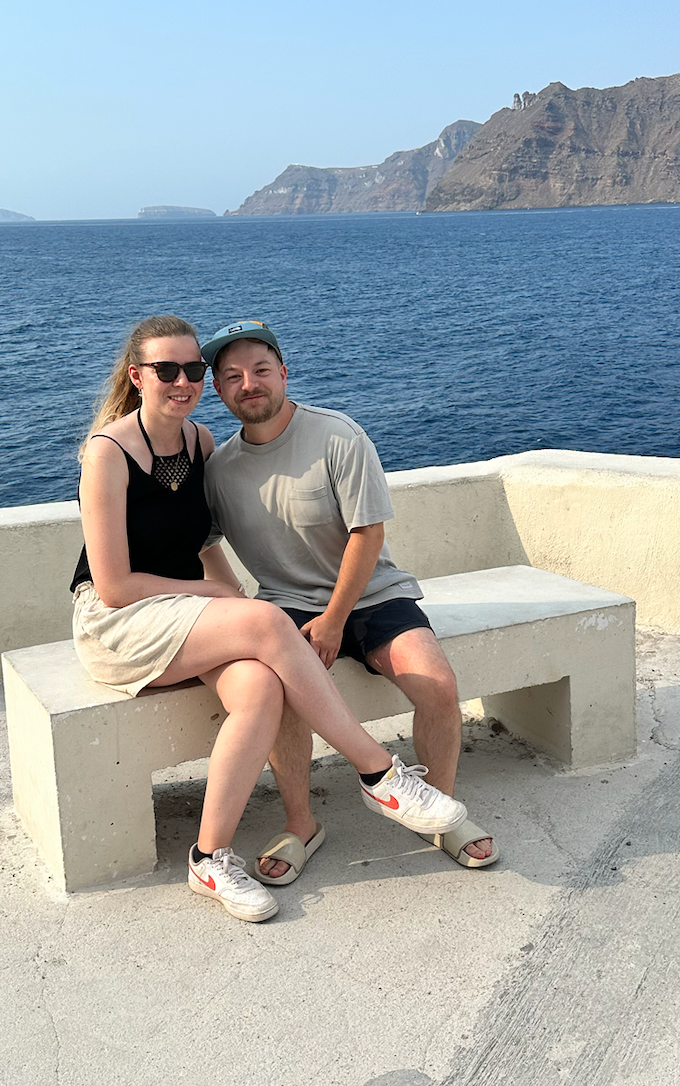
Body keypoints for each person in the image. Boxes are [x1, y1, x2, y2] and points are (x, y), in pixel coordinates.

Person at [68, 314, 468, 924]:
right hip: (119, 621)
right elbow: (115, 586)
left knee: (260, 690)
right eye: (167, 370)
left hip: (186, 612)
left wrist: (222, 595)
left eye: (193, 369)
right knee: (265, 621)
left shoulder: (200, 444)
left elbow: (204, 540)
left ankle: (208, 857)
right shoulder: (109, 452)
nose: (183, 381)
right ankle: (379, 774)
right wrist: (220, 595)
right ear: (137, 376)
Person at [201, 320, 499, 885]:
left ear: (283, 373)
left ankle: (437, 812)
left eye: (261, 370)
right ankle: (301, 823)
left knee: (437, 683)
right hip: (285, 605)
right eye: (233, 376)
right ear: (218, 389)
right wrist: (233, 599)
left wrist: (335, 619)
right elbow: (204, 541)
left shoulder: (338, 436)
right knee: (281, 697)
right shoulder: (218, 470)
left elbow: (368, 533)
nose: (249, 384)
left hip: (372, 593)